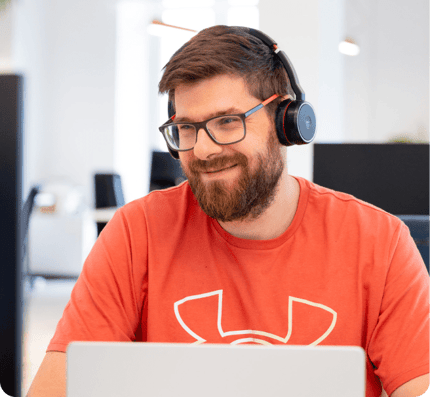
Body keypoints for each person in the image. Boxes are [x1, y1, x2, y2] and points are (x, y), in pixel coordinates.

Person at [27, 26, 429, 397]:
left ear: (285, 122)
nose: (202, 150)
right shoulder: (139, 231)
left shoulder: (379, 243)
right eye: (186, 128)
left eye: (226, 121)